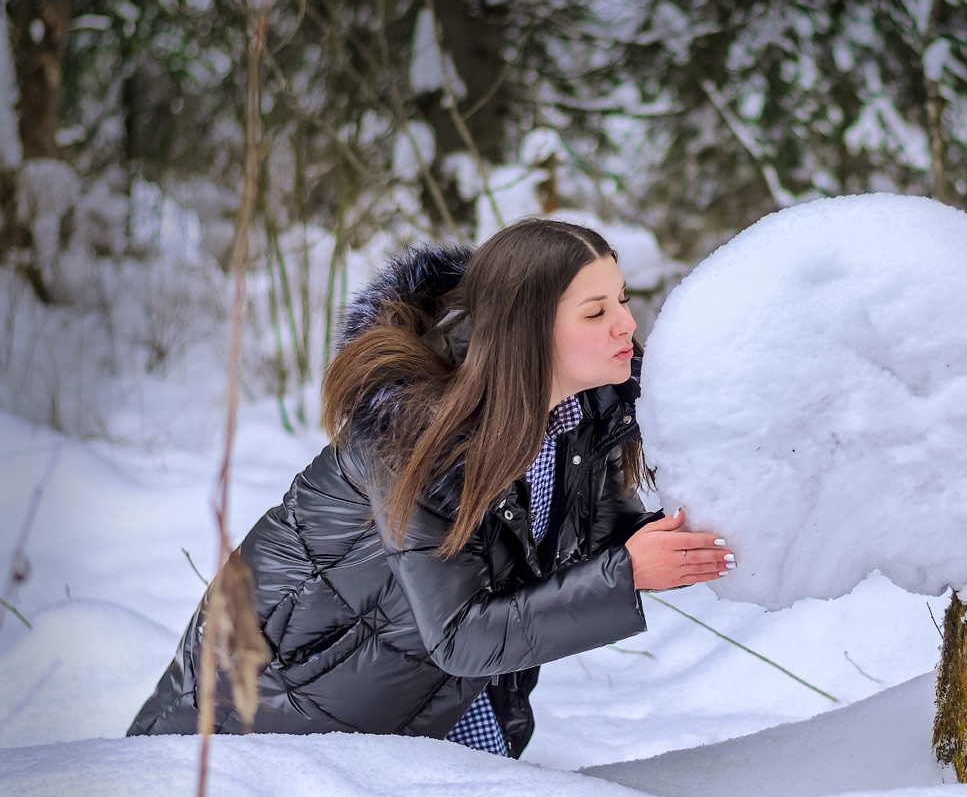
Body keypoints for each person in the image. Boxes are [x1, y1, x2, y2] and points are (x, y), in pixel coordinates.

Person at [128, 218, 733, 758]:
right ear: (527, 331)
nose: (627, 324)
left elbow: (597, 538)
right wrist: (628, 573)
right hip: (273, 714)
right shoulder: (413, 440)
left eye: (623, 301)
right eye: (596, 312)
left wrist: (702, 527)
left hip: (427, 694)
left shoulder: (578, 417)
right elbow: (460, 633)